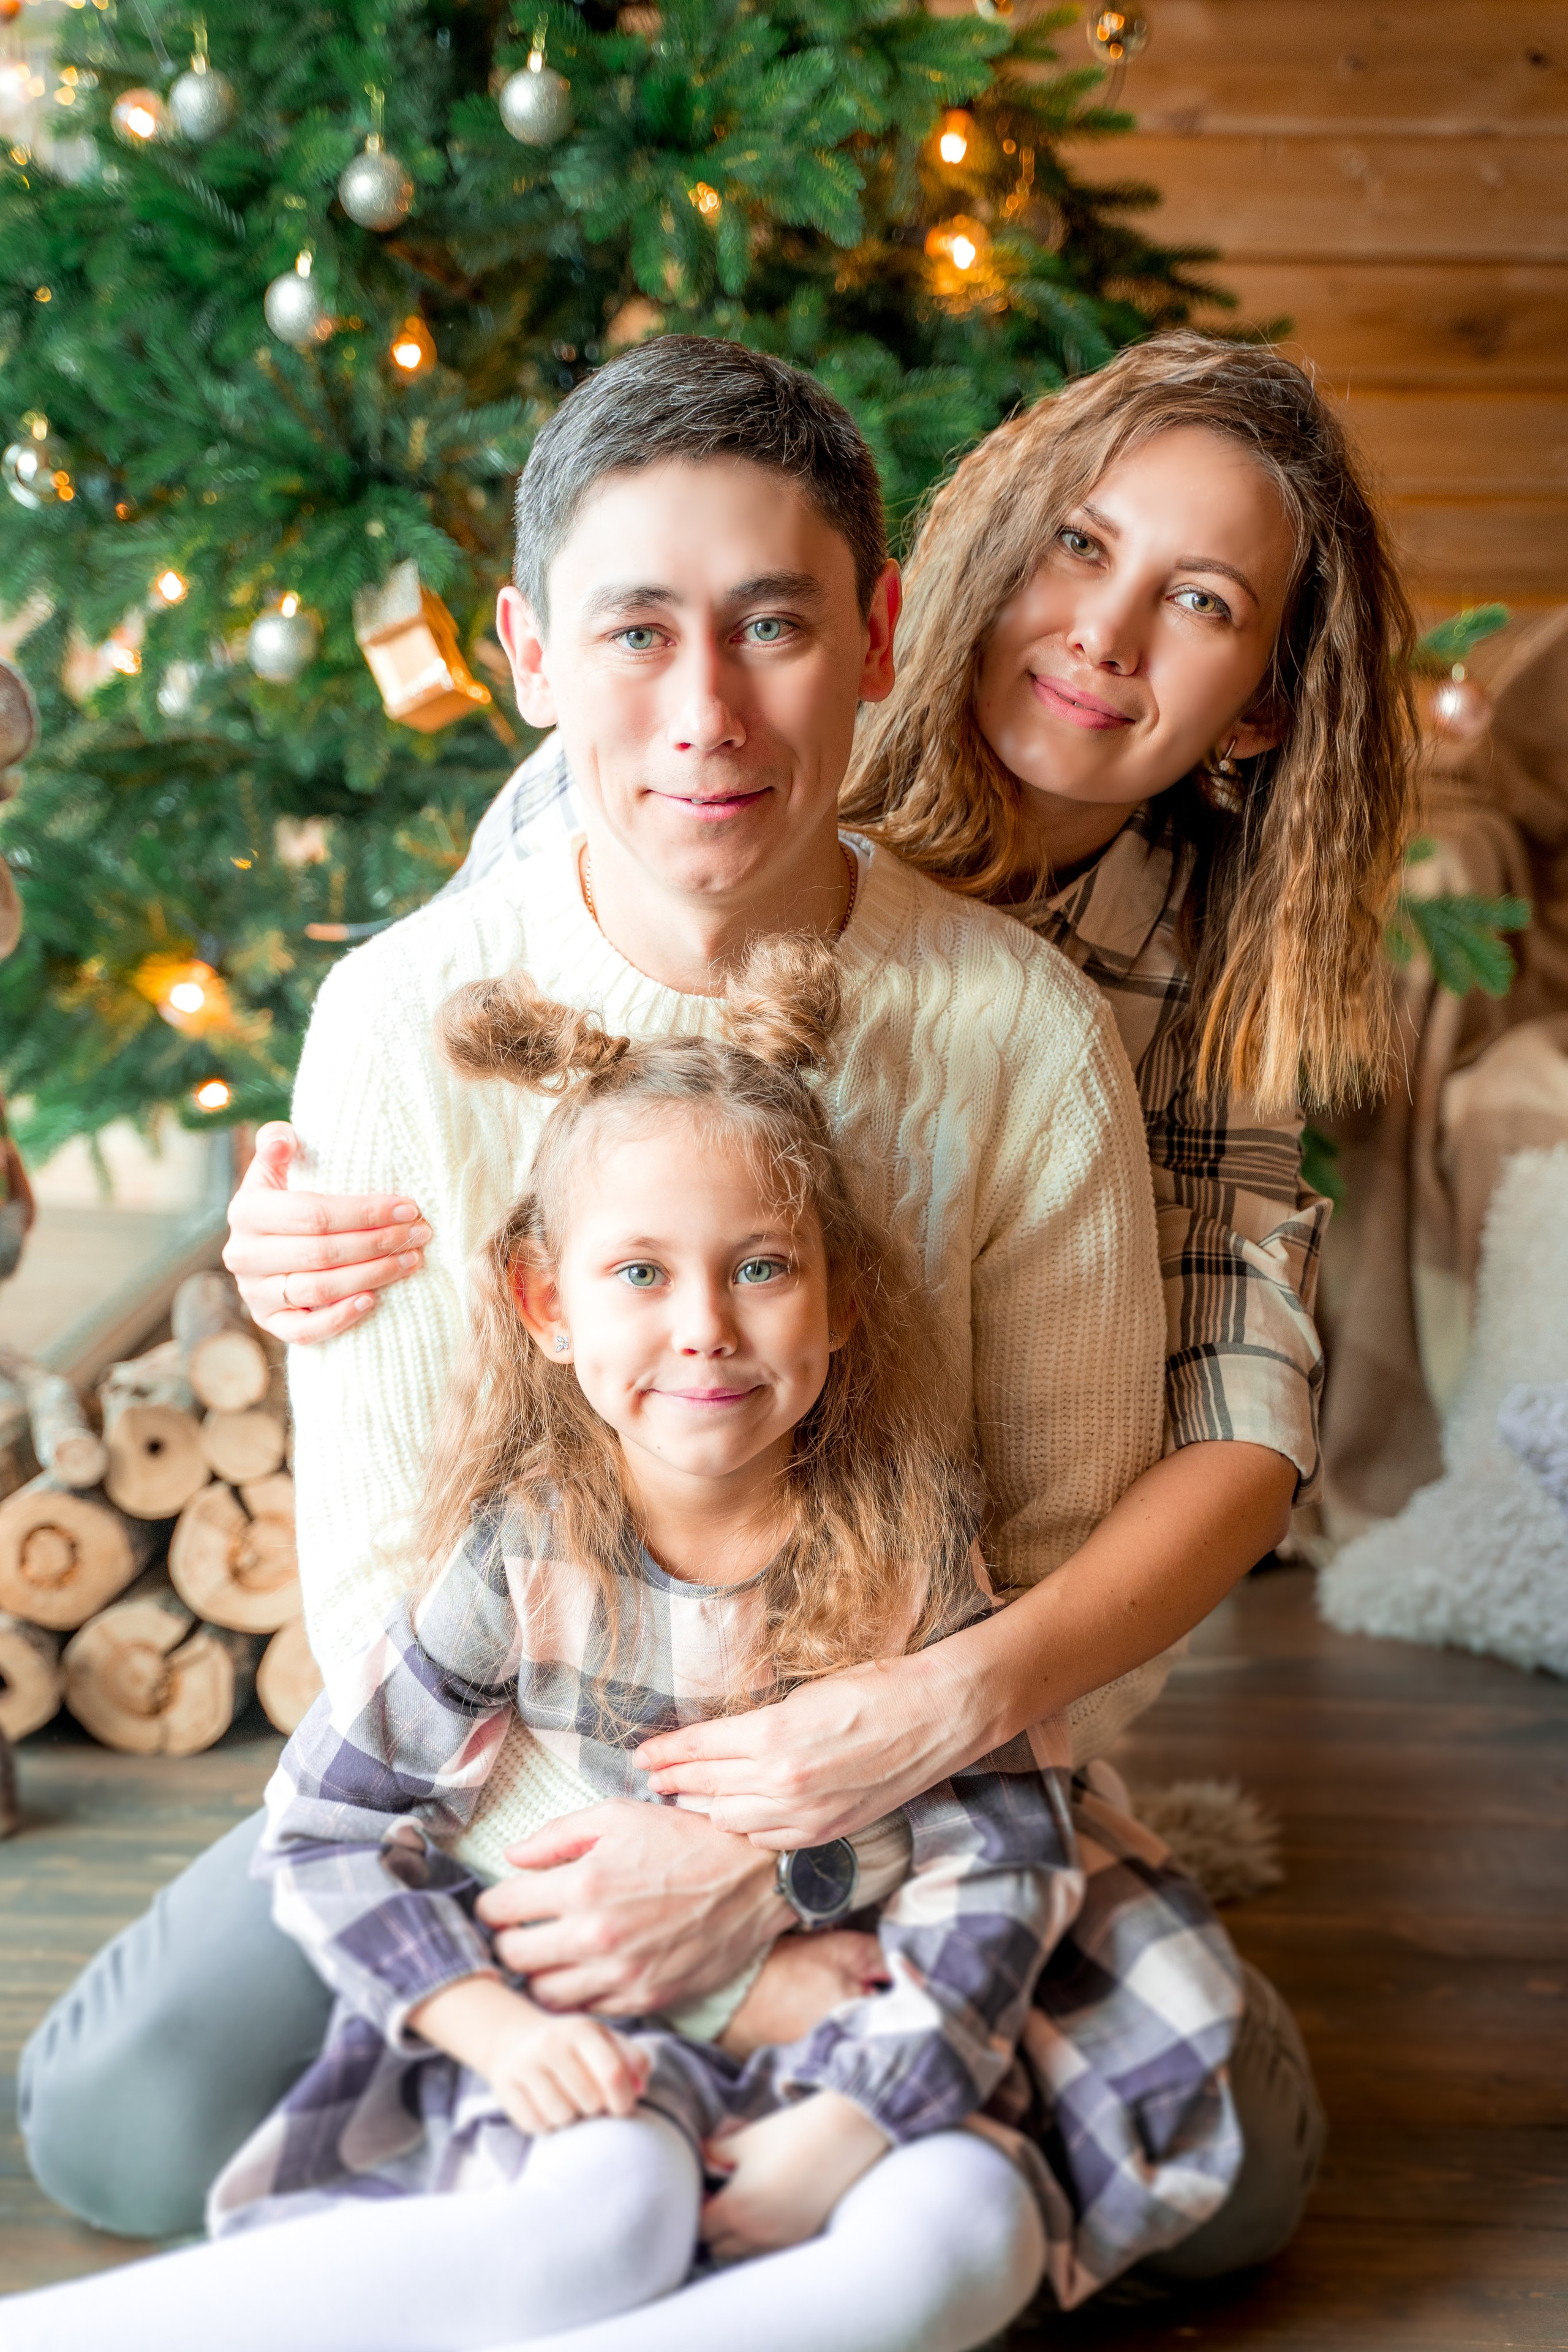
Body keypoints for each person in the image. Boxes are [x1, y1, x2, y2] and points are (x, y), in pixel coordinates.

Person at [20, 335, 1323, 2272]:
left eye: (774, 629)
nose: (707, 710)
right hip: (511, 1772)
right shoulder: (408, 1018)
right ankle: (682, 2188)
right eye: (634, 634)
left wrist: (781, 1877)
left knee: (1248, 2193)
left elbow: (1068, 1557)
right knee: (114, 2134)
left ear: (879, 636)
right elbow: (384, 1590)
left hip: (892, 1764)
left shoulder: (1028, 1028)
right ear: (530, 663)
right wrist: (600, 1916)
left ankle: (684, 2207)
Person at [2, 941, 1245, 2352]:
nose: (703, 1328)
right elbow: (328, 1829)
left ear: (839, 1299)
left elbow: (1005, 1857)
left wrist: (855, 2119)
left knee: (972, 2229)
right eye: (639, 1272)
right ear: (548, 1305)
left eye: (761, 1267)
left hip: (876, 2034)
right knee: (605, 2211)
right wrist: (501, 2033)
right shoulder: (523, 1558)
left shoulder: (910, 1551)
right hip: (602, 2039)